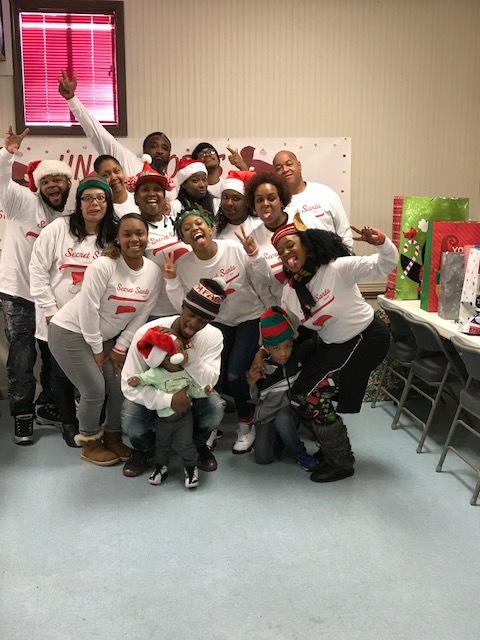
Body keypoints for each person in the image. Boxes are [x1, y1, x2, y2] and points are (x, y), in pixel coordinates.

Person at [269, 217, 398, 482]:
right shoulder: (291, 291)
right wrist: (263, 351)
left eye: (290, 244)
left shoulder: (337, 268)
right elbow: (290, 328)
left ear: (306, 243)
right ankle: (330, 447)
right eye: (280, 251)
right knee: (300, 396)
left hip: (366, 337)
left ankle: (341, 463)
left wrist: (380, 242)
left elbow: (385, 264)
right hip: (333, 343)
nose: (286, 253)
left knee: (313, 398)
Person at [48, 213, 161, 466]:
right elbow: (88, 308)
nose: (134, 239)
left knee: (119, 385)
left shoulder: (153, 272)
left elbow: (141, 314)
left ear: (147, 237)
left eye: (140, 233)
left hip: (106, 338)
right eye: (127, 234)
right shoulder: (104, 265)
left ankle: (112, 437)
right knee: (94, 390)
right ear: (117, 239)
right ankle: (89, 443)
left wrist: (120, 348)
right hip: (69, 331)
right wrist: (97, 349)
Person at [164, 207, 275, 454]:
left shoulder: (233, 249)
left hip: (249, 317)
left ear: (209, 227)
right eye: (186, 228)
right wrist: (171, 281)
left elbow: (262, 281)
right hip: (216, 323)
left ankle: (246, 425)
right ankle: (210, 425)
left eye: (198, 223)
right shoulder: (183, 265)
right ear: (183, 238)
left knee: (235, 374)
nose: (194, 229)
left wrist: (254, 255)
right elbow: (186, 308)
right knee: (211, 375)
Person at [29, 172, 118, 447]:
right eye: (87, 198)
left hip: (99, 321)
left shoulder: (115, 234)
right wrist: (49, 310)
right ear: (78, 203)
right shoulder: (59, 228)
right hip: (58, 319)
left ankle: (95, 421)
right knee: (60, 373)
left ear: (108, 203)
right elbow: (37, 269)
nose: (94, 203)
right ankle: (69, 423)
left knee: (98, 374)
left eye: (100, 198)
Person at [0, 125, 73, 445]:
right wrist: (7, 154)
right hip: (17, 294)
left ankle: (48, 405)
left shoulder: (68, 218)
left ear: (68, 184)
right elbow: (0, 181)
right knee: (21, 357)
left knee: (53, 355)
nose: (53, 185)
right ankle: (22, 415)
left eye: (58, 180)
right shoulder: (21, 201)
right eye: (46, 181)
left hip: (51, 299)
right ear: (37, 185)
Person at [121, 278, 227, 477]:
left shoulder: (213, 336)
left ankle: (197, 445)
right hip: (157, 395)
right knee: (130, 419)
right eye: (191, 315)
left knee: (215, 408)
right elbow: (129, 385)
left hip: (191, 394)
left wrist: (187, 353)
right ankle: (146, 449)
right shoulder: (148, 332)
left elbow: (209, 382)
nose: (193, 324)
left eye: (203, 320)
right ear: (182, 306)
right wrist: (169, 400)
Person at [127, 329, 213, 488]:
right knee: (161, 445)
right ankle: (160, 467)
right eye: (178, 350)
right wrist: (136, 380)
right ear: (165, 359)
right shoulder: (155, 374)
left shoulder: (186, 372)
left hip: (184, 417)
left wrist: (203, 391)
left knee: (185, 444)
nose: (182, 354)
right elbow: (143, 379)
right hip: (163, 419)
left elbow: (192, 390)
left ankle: (191, 467)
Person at [57, 69, 171, 175]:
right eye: (153, 146)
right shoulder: (129, 161)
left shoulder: (171, 184)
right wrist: (72, 99)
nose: (159, 151)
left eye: (165, 148)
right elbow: (98, 134)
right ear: (144, 150)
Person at [247, 306, 319, 471]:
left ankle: (299, 453)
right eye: (276, 348)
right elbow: (253, 400)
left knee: (283, 419)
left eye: (287, 346)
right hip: (267, 416)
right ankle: (281, 438)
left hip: (290, 412)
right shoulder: (261, 369)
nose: (283, 354)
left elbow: (316, 339)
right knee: (263, 458)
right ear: (267, 348)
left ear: (292, 343)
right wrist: (250, 383)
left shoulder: (298, 355)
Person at [131, 159, 189, 319]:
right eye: (145, 189)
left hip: (191, 308)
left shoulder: (181, 223)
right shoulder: (132, 232)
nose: (151, 193)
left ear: (164, 197)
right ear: (135, 198)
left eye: (157, 189)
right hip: (157, 312)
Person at [272, 150, 353, 249]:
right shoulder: (277, 205)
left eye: (289, 164)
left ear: (299, 165)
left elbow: (344, 232)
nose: (285, 170)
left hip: (334, 256)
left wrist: (346, 256)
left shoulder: (325, 193)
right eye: (279, 168)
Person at [214, 170, 261, 241]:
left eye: (236, 198)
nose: (229, 203)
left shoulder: (259, 225)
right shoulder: (215, 230)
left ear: (247, 202)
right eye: (225, 197)